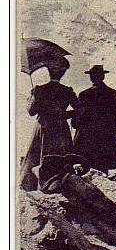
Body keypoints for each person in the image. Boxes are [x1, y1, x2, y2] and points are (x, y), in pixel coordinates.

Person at [20, 60, 78, 191]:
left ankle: (37, 186)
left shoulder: (39, 89)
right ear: (62, 74)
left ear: (49, 73)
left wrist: (32, 97)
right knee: (60, 157)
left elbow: (31, 112)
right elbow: (80, 110)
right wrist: (63, 114)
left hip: (43, 127)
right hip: (61, 129)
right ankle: (59, 184)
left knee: (39, 155)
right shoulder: (67, 91)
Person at [72, 65, 116, 173]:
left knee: (85, 172)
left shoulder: (84, 95)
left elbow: (76, 121)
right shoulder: (114, 94)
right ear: (103, 77)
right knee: (103, 172)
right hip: (107, 141)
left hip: (87, 141)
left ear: (91, 78)